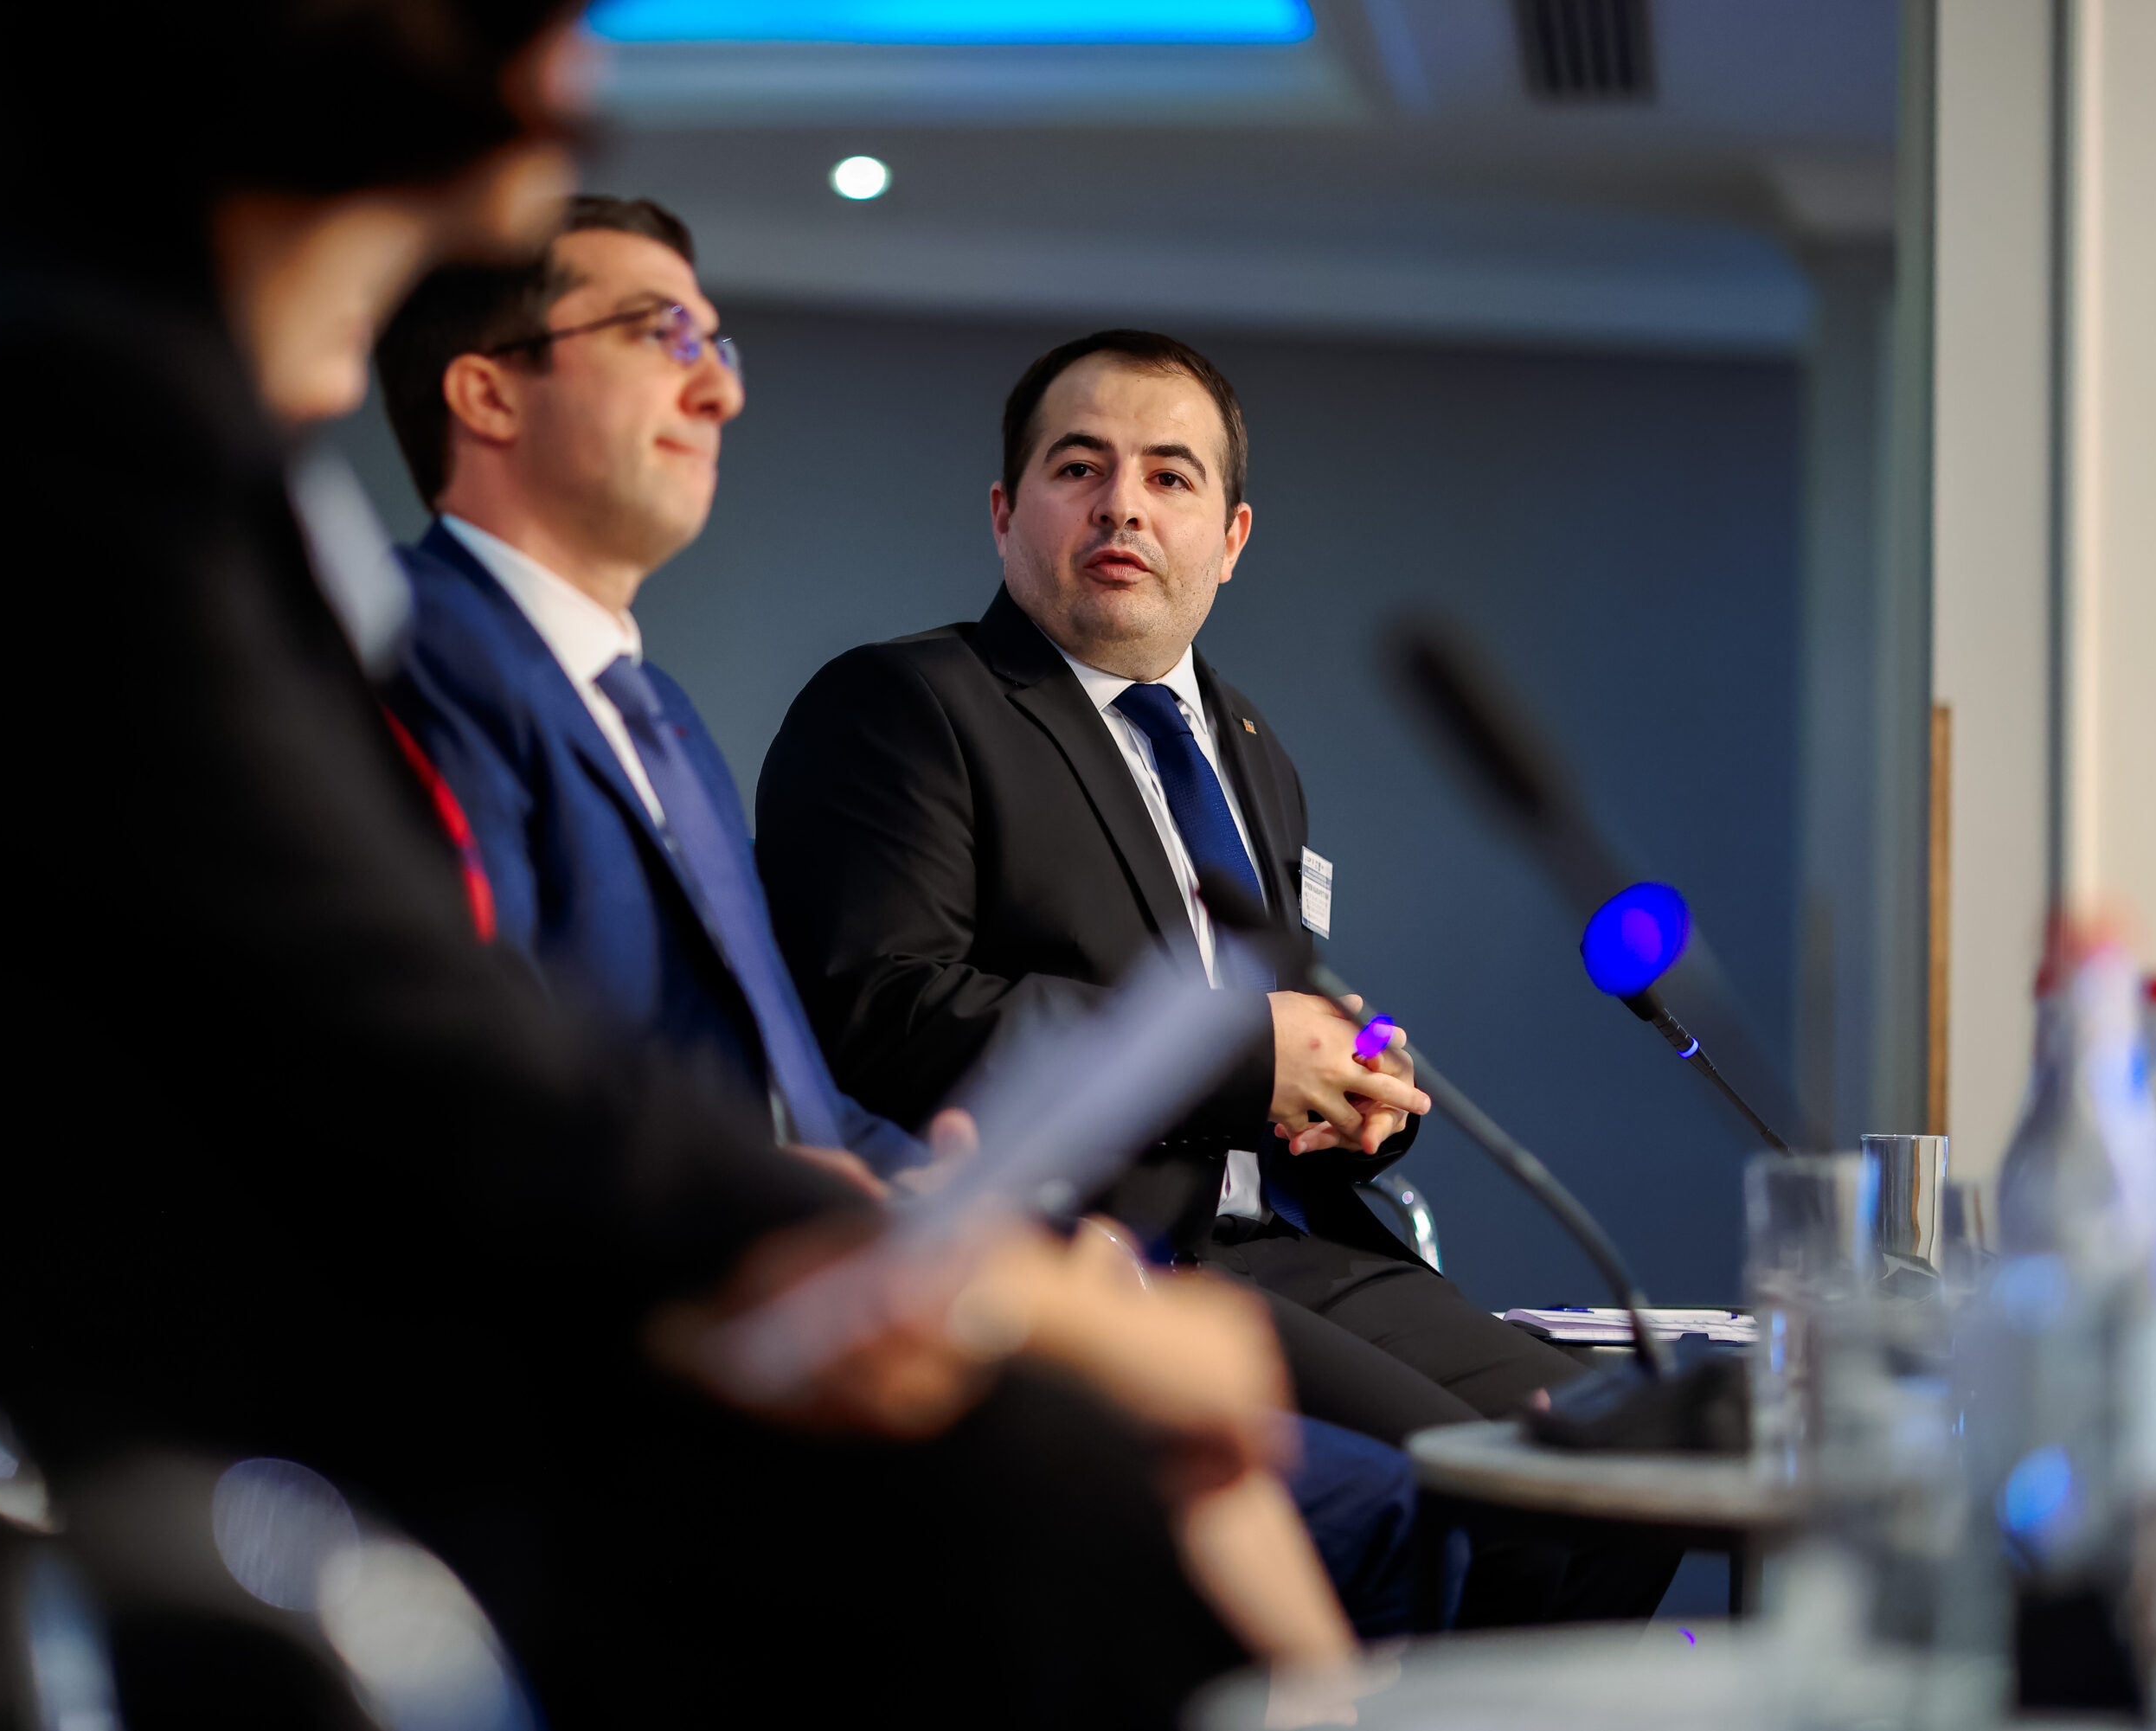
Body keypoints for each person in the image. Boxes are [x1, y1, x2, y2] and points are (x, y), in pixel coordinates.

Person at [0, 5, 1321, 1718]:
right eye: (520, 38)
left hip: (193, 1364)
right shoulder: (55, 419)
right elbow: (395, 1037)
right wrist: (922, 1276)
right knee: (1052, 1478)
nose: (569, 81)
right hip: (65, 1466)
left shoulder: (46, 387)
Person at [372, 196, 1459, 1641]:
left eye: (717, 343)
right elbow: (497, 1088)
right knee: (1330, 1494)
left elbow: (792, 1083)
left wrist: (991, 1225)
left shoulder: (655, 714)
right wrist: (922, 1251)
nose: (719, 386)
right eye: (659, 333)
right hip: (660, 1335)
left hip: (854, 1257)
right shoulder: (420, 661)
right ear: (488, 392)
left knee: (1350, 1485)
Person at [754, 328, 1683, 1625]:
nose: (1122, 504)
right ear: (1005, 513)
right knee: (1500, 1510)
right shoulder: (907, 706)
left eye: (1169, 475)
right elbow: (883, 1018)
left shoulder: (1253, 751)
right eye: (1079, 467)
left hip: (1306, 1242)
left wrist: (1354, 1085)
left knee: (1644, 1478)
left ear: (1231, 537)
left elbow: (1283, 1015)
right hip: (1118, 1261)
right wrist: (1249, 1056)